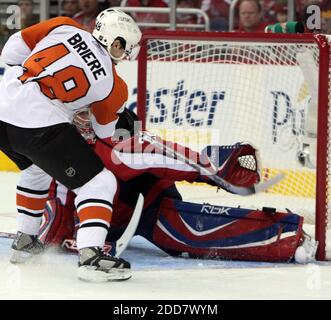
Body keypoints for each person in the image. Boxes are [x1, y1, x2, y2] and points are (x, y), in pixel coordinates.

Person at [39, 109, 318, 264]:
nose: (85, 122)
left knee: (187, 233)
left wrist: (212, 168)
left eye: (90, 115)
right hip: (111, 219)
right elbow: (57, 197)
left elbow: (163, 154)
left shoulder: (117, 144)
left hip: (147, 204)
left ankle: (287, 234)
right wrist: (62, 236)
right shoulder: (61, 149)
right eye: (80, 115)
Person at [0, 8, 142, 282]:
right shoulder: (114, 84)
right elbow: (104, 131)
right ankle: (91, 257)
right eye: (126, 48)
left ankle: (25, 242)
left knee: (36, 169)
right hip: (38, 125)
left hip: (3, 107)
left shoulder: (63, 25)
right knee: (100, 183)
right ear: (116, 42)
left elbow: (9, 54)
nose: (125, 56)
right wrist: (80, 113)